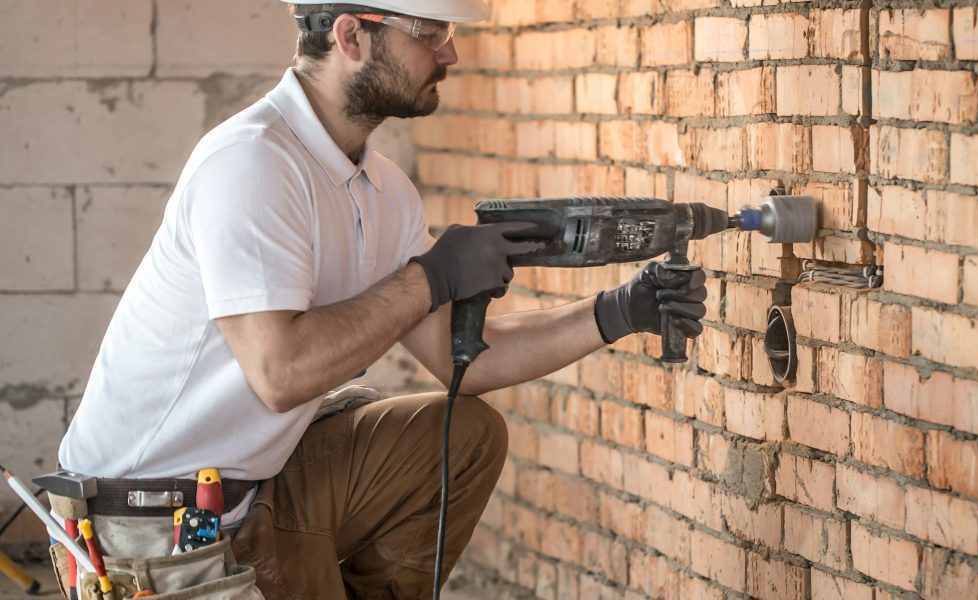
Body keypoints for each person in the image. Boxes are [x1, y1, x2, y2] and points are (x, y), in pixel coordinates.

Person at [56, 1, 708, 598]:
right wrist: (431, 276)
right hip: (143, 520)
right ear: (352, 36)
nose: (449, 56)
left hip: (262, 486)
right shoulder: (252, 164)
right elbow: (280, 374)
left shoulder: (382, 187)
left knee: (462, 436)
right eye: (432, 35)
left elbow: (468, 363)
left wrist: (617, 312)